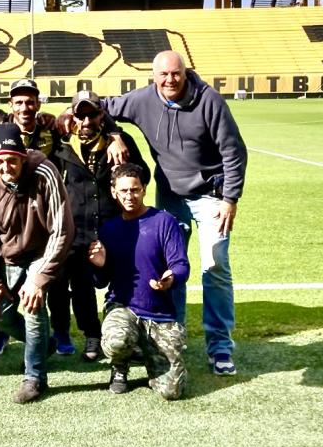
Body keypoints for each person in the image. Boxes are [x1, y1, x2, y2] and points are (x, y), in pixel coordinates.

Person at [98, 51, 248, 376]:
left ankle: (220, 346)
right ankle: (172, 332)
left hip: (210, 194)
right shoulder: (142, 100)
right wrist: (113, 134)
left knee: (215, 265)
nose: (169, 80)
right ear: (153, 76)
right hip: (170, 194)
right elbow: (99, 106)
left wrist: (230, 198)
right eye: (163, 74)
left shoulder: (210, 102)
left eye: (175, 74)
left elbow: (234, 151)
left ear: (185, 72)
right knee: (167, 267)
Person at [0, 124, 74, 404]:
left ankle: (35, 377)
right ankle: (45, 344)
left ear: (23, 157)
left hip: (41, 252)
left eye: (12, 160)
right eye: (0, 161)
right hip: (8, 256)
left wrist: (39, 278)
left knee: (33, 309)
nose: (6, 167)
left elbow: (62, 229)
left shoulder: (45, 172)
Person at [49, 90, 151, 360]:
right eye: (80, 115)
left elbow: (144, 176)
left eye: (91, 114)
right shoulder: (60, 145)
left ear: (101, 115)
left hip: (113, 228)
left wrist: (120, 149)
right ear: (72, 115)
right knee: (76, 285)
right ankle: (90, 336)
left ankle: (132, 333)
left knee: (127, 281)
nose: (85, 121)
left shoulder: (119, 142)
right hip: (74, 230)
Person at [88, 163, 189, 400]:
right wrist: (99, 265)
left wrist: (171, 277)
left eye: (134, 190)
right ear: (114, 192)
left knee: (172, 392)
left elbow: (181, 265)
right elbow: (100, 282)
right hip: (124, 308)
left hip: (159, 313)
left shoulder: (164, 221)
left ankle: (151, 357)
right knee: (117, 339)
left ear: (144, 189)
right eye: (123, 191)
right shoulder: (109, 229)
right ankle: (119, 367)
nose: (129, 196)